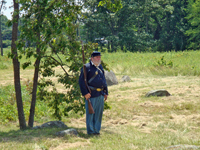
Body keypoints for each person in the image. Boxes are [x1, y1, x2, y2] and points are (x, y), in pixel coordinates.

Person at [79, 51, 108, 135]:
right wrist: (85, 93)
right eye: (97, 57)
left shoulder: (100, 67)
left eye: (99, 57)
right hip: (91, 94)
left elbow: (103, 80)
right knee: (91, 113)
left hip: (100, 94)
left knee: (98, 114)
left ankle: (96, 130)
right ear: (92, 58)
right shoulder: (86, 67)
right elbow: (81, 81)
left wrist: (106, 92)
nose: (99, 59)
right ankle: (91, 131)